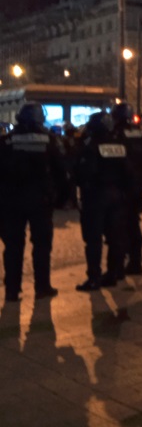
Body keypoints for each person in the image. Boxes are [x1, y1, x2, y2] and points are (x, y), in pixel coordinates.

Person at [0, 103, 69, 302]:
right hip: (41, 201)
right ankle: (42, 286)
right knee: (41, 245)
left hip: (11, 202)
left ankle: (12, 290)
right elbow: (61, 172)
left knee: (13, 247)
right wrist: (62, 198)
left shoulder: (7, 141)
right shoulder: (50, 140)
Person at [74, 111, 132, 291]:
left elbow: (83, 171)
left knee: (94, 239)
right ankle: (113, 274)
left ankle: (94, 277)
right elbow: (128, 172)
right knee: (115, 237)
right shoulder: (119, 145)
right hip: (116, 196)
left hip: (95, 196)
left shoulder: (90, 145)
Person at [110, 103, 142, 277]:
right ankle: (136, 261)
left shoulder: (116, 134)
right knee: (134, 222)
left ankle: (120, 264)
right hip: (137, 183)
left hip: (121, 184)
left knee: (118, 225)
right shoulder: (141, 133)